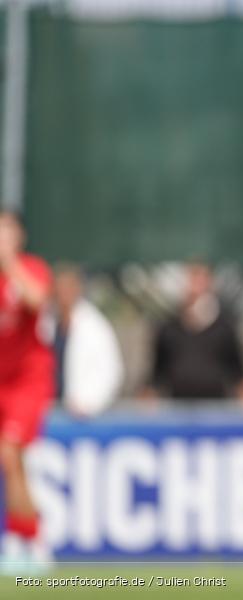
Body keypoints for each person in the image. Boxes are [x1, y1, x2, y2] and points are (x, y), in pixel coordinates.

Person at [0, 210, 55, 573]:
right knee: (13, 463)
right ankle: (23, 538)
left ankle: (32, 540)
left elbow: (38, 301)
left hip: (28, 382)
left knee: (9, 452)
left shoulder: (30, 269)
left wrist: (10, 265)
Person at [143, 261, 243, 405]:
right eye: (192, 279)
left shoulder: (225, 329)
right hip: (178, 410)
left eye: (201, 279)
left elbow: (240, 374)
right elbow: (155, 377)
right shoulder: (168, 329)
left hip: (217, 410)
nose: (196, 286)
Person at [51, 265, 124, 418]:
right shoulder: (48, 321)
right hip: (49, 409)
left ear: (78, 289)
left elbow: (111, 371)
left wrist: (89, 403)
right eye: (59, 289)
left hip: (79, 415)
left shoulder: (95, 326)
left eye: (67, 288)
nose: (63, 294)